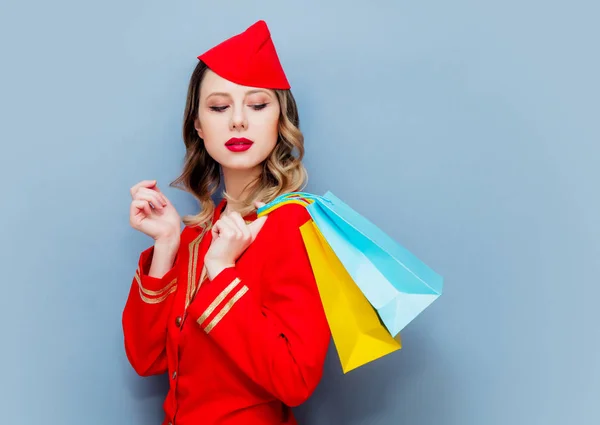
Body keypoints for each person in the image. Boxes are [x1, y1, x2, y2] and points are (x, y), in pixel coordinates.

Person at [122, 20, 331, 425]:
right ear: (198, 126)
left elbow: (295, 381)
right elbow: (147, 361)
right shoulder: (198, 234)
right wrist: (167, 243)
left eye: (257, 105)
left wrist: (222, 272)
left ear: (280, 120)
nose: (238, 121)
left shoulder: (295, 224)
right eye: (219, 107)